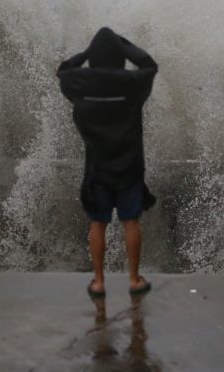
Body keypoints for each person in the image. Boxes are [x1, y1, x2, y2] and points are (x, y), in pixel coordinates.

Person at [57, 27, 158, 297]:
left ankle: (99, 282)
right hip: (129, 166)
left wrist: (87, 53)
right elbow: (149, 65)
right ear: (120, 57)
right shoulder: (132, 84)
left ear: (94, 58)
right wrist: (125, 45)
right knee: (131, 222)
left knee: (98, 223)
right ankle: (134, 279)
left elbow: (64, 70)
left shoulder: (80, 85)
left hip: (97, 167)